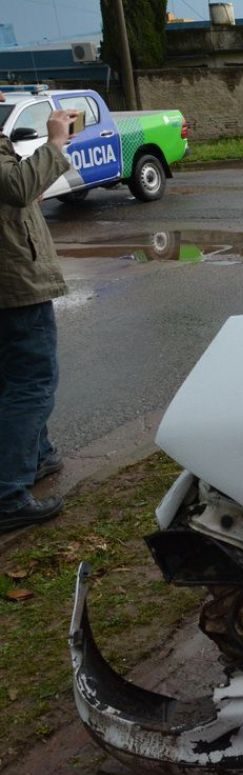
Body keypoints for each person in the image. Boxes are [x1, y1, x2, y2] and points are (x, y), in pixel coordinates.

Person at [0, 98, 78, 533]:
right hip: (13, 282)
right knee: (32, 383)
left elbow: (14, 191)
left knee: (13, 380)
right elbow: (15, 187)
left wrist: (32, 182)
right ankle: (7, 494)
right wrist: (55, 141)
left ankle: (36, 456)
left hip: (10, 281)